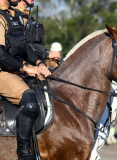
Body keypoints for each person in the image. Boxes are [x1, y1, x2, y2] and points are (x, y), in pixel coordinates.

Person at [0, 0, 51, 159]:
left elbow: (25, 47)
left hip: (15, 70)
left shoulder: (14, 16)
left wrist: (39, 63)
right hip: (2, 72)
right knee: (30, 103)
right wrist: (25, 68)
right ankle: (23, 154)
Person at [14, 0, 61, 65]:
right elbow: (22, 43)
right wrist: (46, 54)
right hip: (19, 64)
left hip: (34, 62)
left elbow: (33, 43)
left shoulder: (29, 17)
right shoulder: (13, 16)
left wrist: (47, 52)